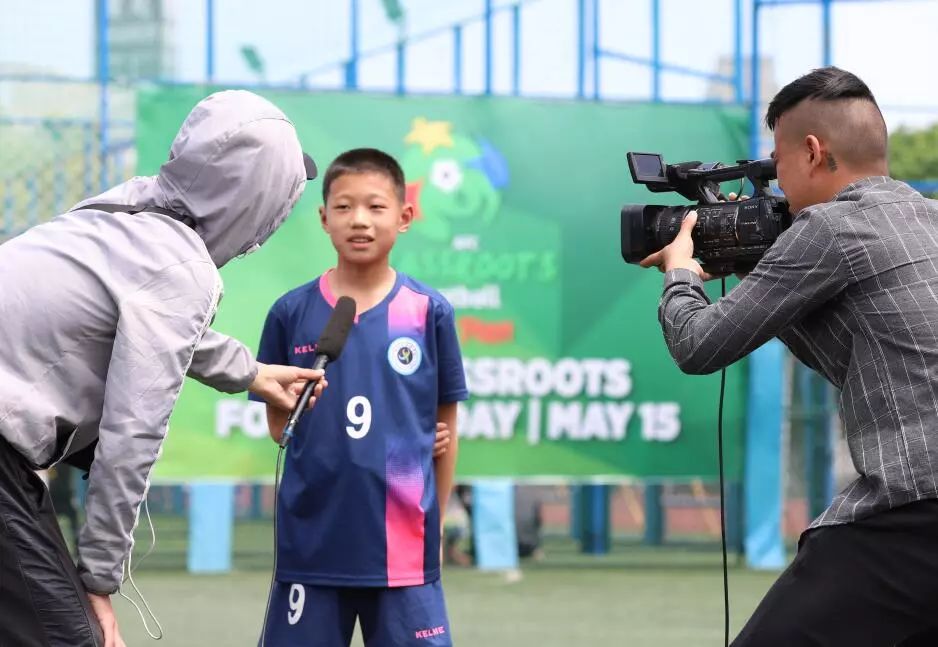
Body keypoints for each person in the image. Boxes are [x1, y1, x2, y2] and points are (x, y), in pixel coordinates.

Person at [0, 90, 326, 647]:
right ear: (258, 203)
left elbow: (147, 321)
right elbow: (132, 433)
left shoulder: (126, 207)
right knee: (68, 637)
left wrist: (252, 373)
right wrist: (100, 579)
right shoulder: (181, 268)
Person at [640, 66, 938, 645]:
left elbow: (698, 346)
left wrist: (681, 274)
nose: (774, 182)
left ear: (812, 152)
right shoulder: (927, 217)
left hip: (913, 517)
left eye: (775, 163)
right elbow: (859, 356)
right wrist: (758, 273)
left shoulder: (832, 227)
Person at [254, 148, 468, 646]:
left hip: (403, 551)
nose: (360, 221)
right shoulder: (290, 312)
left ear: (405, 217)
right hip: (312, 548)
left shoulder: (429, 311)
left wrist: (432, 526)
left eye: (376, 207)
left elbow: (446, 425)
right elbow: (276, 427)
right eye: (345, 207)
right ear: (324, 218)